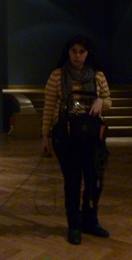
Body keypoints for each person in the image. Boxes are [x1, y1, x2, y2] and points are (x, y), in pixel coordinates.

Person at [41, 35, 112, 245]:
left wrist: (101, 102)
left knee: (94, 181)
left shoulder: (98, 75)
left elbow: (108, 100)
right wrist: (45, 136)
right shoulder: (57, 76)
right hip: (66, 136)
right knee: (72, 182)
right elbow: (48, 107)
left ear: (88, 53)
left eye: (82, 51)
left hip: (92, 136)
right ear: (68, 52)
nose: (78, 56)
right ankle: (74, 224)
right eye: (74, 51)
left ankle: (90, 221)